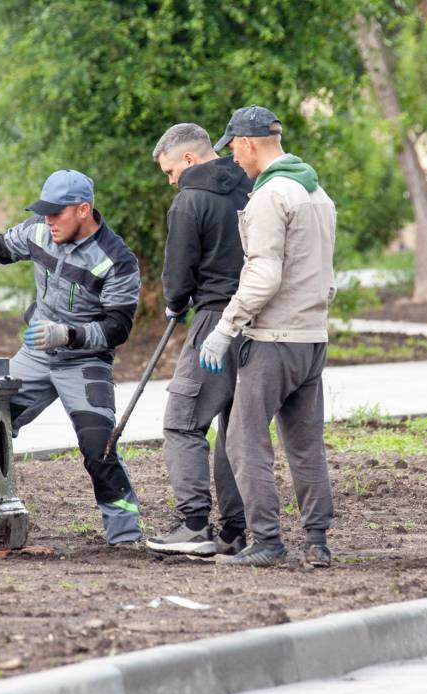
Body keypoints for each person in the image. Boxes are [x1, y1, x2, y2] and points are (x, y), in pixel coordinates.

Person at [198, 106, 338, 568]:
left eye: (233, 146)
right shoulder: (317, 194)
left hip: (274, 340)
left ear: (251, 142)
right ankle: (317, 541)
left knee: (242, 438)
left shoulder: (268, 197)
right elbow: (326, 277)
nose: (233, 157)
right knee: (304, 442)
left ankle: (267, 540)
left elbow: (262, 275)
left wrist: (225, 328)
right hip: (312, 340)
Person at [0, 169, 142, 545]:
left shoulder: (117, 261)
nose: (48, 221)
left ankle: (126, 537)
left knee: (100, 449)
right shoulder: (38, 231)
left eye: (56, 213)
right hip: (35, 356)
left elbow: (118, 327)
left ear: (83, 210)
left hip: (86, 362)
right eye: (44, 212)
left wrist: (68, 335)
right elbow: (0, 247)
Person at [144, 123, 253, 557]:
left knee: (183, 420)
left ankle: (193, 525)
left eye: (170, 171)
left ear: (188, 159)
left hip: (213, 320)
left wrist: (175, 302)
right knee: (234, 426)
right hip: (256, 319)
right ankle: (235, 529)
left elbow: (178, 274)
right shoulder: (250, 186)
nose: (171, 180)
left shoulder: (190, 201)